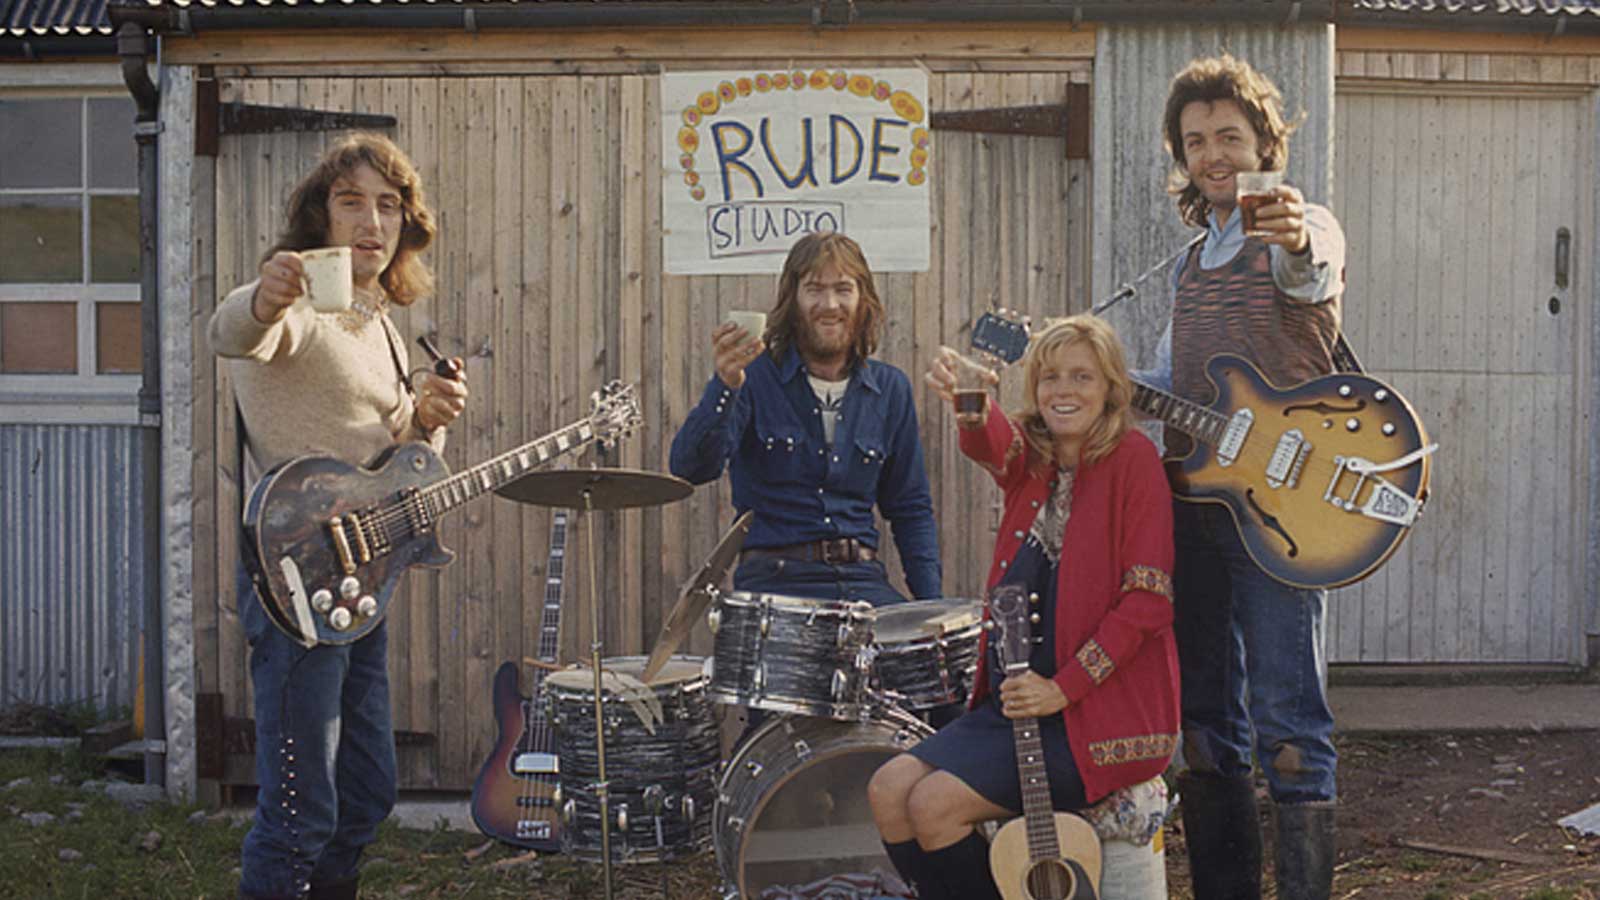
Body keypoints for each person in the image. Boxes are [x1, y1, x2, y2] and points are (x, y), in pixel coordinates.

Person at [209, 133, 468, 900]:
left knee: (364, 794)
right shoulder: (302, 307)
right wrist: (264, 295)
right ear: (319, 218)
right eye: (351, 202)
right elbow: (237, 333)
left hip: (358, 582)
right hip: (292, 579)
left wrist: (427, 417)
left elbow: (390, 464)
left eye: (388, 206)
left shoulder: (380, 326)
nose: (372, 222)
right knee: (299, 810)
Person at [867, 315, 1180, 900]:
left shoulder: (1134, 460)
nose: (1064, 391)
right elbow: (995, 442)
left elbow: (1146, 604)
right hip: (1020, 703)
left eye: (1082, 377)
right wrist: (969, 395)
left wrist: (1063, 688)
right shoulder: (1037, 461)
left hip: (1098, 715)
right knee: (889, 790)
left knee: (935, 807)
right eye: (1051, 377)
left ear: (1111, 387)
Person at [1143, 54, 1347, 900]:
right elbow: (1160, 384)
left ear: (1265, 144)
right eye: (1196, 141)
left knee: (1289, 718)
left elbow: (1312, 261)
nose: (1213, 154)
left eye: (1229, 135)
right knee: (1207, 722)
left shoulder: (1306, 227)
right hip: (1194, 510)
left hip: (1281, 513)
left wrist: (1295, 228)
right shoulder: (1190, 262)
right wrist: (1077, 376)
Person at [668, 231, 941, 607]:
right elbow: (689, 468)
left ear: (863, 301)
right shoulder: (752, 378)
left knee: (919, 661)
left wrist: (932, 608)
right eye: (814, 289)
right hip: (775, 589)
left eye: (843, 289)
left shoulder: (891, 389)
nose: (829, 304)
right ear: (792, 300)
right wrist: (725, 386)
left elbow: (910, 509)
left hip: (864, 586)